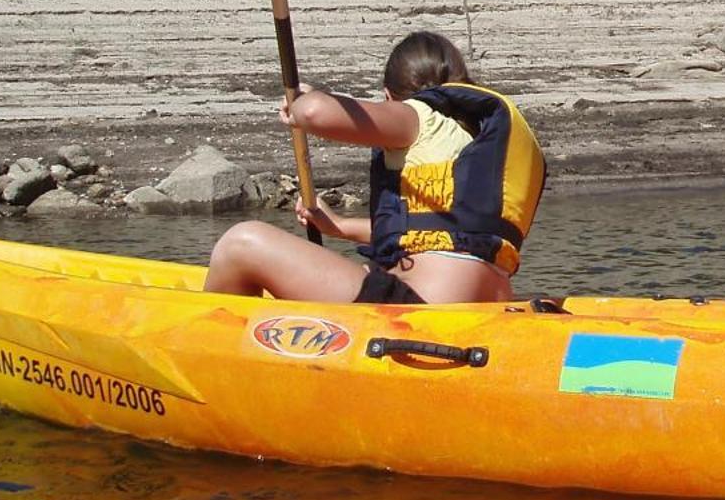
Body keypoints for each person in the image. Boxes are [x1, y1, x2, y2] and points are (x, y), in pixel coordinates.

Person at [205, 31, 545, 305]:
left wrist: (305, 97)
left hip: (422, 310)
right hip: (489, 303)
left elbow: (313, 115)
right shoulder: (479, 135)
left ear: (388, 96)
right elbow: (434, 228)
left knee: (241, 243)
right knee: (369, 268)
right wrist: (339, 226)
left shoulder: (416, 115)